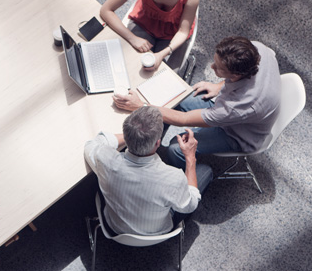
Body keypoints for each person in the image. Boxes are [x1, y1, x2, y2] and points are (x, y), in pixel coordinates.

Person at [113, 36, 281, 169]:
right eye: (215, 61)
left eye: (218, 68)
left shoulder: (239, 107)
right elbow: (245, 74)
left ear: (236, 74)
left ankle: (182, 176)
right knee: (177, 98)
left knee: (176, 148)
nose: (212, 67)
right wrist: (219, 85)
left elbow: (184, 120)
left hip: (237, 134)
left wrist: (140, 106)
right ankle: (150, 142)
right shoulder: (259, 50)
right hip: (232, 106)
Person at [84, 106, 212, 236]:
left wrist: (133, 135)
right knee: (206, 171)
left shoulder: (105, 158)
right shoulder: (175, 178)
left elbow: (92, 144)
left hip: (113, 226)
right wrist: (190, 158)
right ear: (157, 143)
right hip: (157, 232)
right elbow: (191, 205)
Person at [100, 0, 200, 72]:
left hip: (175, 32)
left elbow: (183, 31)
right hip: (144, 23)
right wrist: (132, 38)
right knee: (126, 65)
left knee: (165, 75)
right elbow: (106, 10)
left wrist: (162, 54)